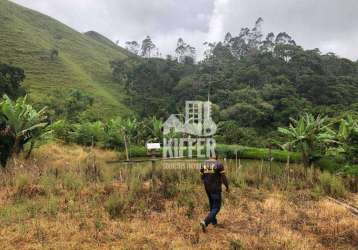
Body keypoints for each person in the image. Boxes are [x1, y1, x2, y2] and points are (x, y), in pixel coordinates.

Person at [199, 152, 229, 232]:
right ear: (216, 156)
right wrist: (227, 187)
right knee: (216, 207)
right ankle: (205, 222)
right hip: (215, 189)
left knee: (212, 205)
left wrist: (206, 183)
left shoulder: (203, 164)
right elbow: (224, 178)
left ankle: (214, 223)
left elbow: (202, 177)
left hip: (207, 188)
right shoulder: (219, 164)